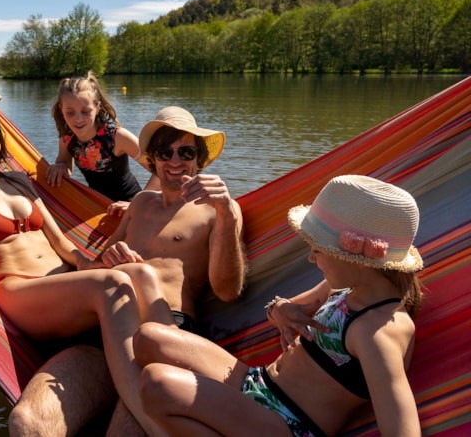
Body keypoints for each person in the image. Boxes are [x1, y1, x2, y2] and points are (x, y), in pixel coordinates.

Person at [0, 104, 175, 434]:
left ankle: (175, 361)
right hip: (19, 289)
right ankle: (147, 411)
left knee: (139, 273)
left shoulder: (18, 181)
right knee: (112, 285)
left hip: (62, 281)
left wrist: (90, 264)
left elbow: (59, 241)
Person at [9, 106, 248, 435]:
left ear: (199, 159)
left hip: (167, 333)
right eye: (164, 151)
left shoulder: (218, 210)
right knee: (26, 422)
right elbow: (97, 265)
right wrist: (109, 258)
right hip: (103, 327)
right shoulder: (140, 203)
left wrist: (227, 215)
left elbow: (227, 291)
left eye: (186, 152)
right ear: (152, 159)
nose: (175, 161)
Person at [135, 174, 423, 437]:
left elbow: (402, 431)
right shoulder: (346, 287)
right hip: (259, 382)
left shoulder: (378, 332)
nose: (311, 258)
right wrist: (280, 310)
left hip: (284, 422)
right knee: (148, 337)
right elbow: (281, 311)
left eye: (318, 249)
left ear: (358, 259)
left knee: (157, 385)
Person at [47, 71, 159, 216]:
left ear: (97, 107)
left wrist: (137, 204)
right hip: (98, 209)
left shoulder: (117, 137)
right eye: (70, 113)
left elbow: (161, 169)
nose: (78, 119)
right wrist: (61, 166)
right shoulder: (67, 137)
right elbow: (65, 163)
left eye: (85, 111)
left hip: (131, 208)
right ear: (61, 110)